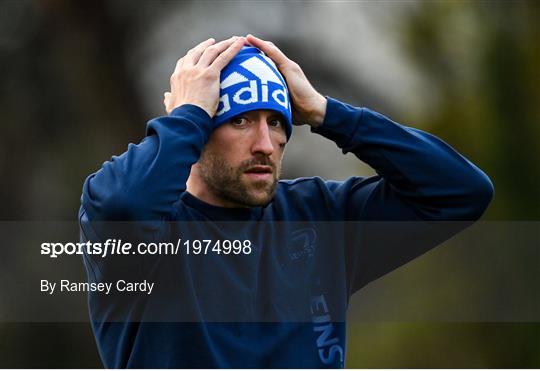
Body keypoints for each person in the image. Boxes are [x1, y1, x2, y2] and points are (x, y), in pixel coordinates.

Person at [79, 35, 494, 368]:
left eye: (276, 121)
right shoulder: (143, 242)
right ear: (198, 130)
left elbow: (460, 191)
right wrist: (186, 117)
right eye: (239, 120)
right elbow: (122, 207)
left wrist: (328, 113)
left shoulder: (321, 218)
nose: (265, 144)